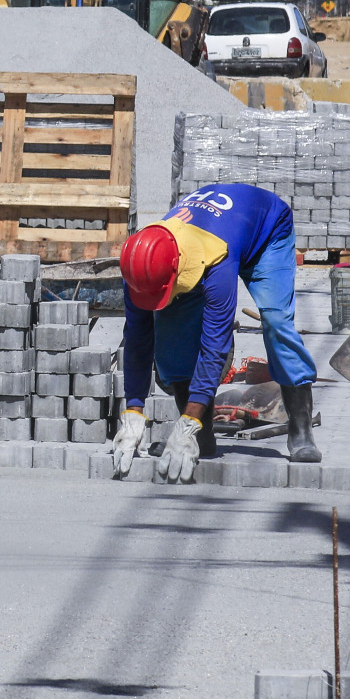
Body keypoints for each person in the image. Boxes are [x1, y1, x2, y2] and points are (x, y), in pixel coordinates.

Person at [113, 183, 320, 484]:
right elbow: (138, 339)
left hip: (265, 234)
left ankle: (301, 431)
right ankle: (203, 436)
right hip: (207, 240)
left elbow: (215, 347)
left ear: (174, 273)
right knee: (171, 339)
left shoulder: (216, 268)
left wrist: (185, 425)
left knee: (276, 324)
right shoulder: (139, 264)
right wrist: (133, 411)